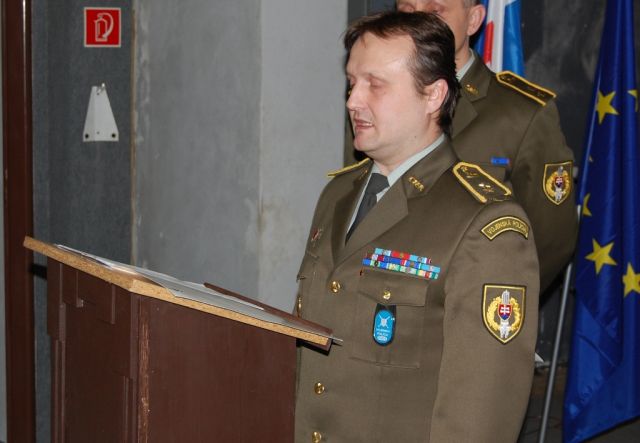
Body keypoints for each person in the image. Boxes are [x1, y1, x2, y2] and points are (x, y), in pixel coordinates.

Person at [295, 11, 539, 442]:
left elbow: (480, 416)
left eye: (375, 85)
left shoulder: (484, 224)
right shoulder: (338, 195)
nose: (353, 100)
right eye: (352, 82)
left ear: (433, 95)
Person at [391, 0, 578, 292]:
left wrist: (493, 300)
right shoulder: (377, 103)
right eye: (406, 11)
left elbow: (552, 239)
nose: (417, 22)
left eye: (436, 11)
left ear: (474, 20)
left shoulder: (521, 114)